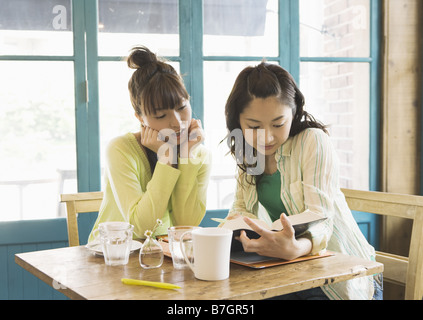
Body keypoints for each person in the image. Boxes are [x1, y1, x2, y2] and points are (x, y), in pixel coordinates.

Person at [223, 61, 382, 300]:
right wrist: (233, 234)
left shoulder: (312, 141)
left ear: (294, 112)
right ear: (238, 123)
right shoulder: (249, 153)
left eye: (278, 124)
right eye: (254, 126)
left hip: (345, 277)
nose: (267, 137)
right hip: (293, 271)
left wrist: (297, 248)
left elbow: (321, 218)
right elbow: (241, 207)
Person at [89, 46, 211, 241]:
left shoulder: (199, 154)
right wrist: (165, 159)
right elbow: (139, 228)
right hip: (114, 254)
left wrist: (186, 156)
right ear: (140, 118)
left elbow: (185, 226)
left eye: (182, 107)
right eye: (161, 115)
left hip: (164, 256)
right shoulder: (120, 149)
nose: (177, 123)